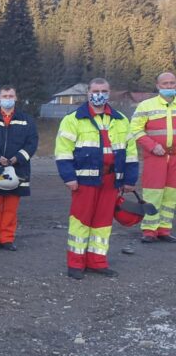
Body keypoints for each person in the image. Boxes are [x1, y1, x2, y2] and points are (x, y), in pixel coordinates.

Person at [55, 78, 138, 279]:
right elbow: (63, 152)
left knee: (103, 223)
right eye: (95, 90)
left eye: (103, 90)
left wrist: (130, 179)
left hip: (111, 181)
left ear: (109, 93)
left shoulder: (120, 120)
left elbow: (131, 152)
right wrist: (68, 177)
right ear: (88, 93)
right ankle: (76, 263)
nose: (99, 94)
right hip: (83, 182)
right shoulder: (73, 119)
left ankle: (97, 262)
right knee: (80, 222)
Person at [0, 86, 38, 251]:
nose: (8, 98)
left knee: (11, 208)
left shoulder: (26, 120)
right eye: (4, 96)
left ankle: (7, 239)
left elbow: (32, 143)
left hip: (17, 170)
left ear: (16, 98)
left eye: (11, 95)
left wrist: (17, 158)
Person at [128, 72, 176, 243]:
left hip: (175, 157)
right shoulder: (146, 105)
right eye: (165, 84)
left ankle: (164, 229)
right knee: (153, 193)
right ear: (157, 86)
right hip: (155, 156)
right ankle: (149, 230)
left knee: (171, 195)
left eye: (172, 83)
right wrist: (151, 146)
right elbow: (135, 129)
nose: (169, 86)